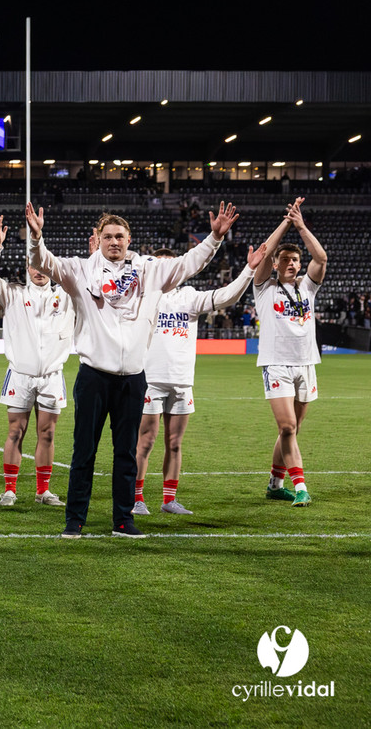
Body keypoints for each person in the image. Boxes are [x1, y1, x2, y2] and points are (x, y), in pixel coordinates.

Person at [25, 201, 237, 537]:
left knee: (126, 453)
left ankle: (124, 520)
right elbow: (43, 262)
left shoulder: (150, 271)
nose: (113, 241)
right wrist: (36, 238)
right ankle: (74, 520)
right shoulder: (80, 270)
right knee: (84, 452)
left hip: (134, 379)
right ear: (99, 238)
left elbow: (188, 265)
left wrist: (213, 238)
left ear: (128, 239)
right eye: (107, 236)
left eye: (119, 236)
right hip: (93, 376)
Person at [133, 241, 264, 516]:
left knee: (175, 443)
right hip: (150, 379)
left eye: (172, 264)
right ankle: (136, 498)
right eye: (161, 265)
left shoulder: (189, 296)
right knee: (145, 442)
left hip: (182, 381)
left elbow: (227, 296)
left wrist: (249, 271)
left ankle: (169, 499)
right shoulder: (142, 295)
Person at [0, 215, 72, 508]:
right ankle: (9, 489)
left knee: (47, 433)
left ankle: (43, 491)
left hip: (52, 376)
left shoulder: (66, 297)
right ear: (27, 269)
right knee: (15, 431)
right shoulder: (14, 294)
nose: (39, 271)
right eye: (33, 266)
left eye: (43, 267)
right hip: (20, 374)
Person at [250, 199, 326, 506]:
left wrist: (301, 226)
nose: (293, 263)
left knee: (290, 431)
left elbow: (320, 258)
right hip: (276, 364)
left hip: (306, 364)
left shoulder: (307, 288)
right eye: (287, 259)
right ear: (277, 264)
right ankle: (301, 486)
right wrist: (285, 223)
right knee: (286, 426)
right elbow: (265, 252)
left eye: (296, 259)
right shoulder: (264, 288)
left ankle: (274, 483)